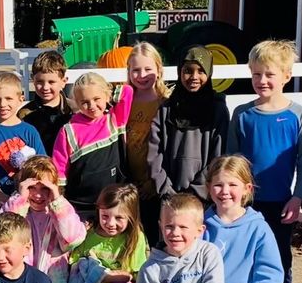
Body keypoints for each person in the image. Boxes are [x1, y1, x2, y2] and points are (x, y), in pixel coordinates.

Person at [227, 39, 302, 283]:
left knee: (279, 256)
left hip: (281, 201)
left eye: (269, 74)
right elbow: (231, 160)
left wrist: (299, 197)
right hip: (246, 203)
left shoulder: (298, 114)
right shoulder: (242, 114)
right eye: (256, 74)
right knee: (246, 255)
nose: (262, 81)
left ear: (286, 76)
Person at [0, 155, 87, 283]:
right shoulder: (15, 206)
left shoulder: (59, 209)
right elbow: (2, 235)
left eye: (45, 188)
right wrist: (19, 201)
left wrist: (56, 200)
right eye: (32, 188)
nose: (38, 195)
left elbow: (73, 237)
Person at [202, 156, 285, 283]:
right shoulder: (201, 224)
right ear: (209, 187)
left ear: (247, 189)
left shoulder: (258, 228)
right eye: (218, 185)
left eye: (232, 185)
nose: (225, 191)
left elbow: (269, 273)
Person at [148, 46, 229, 204]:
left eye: (201, 71)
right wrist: (167, 190)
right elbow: (154, 153)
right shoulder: (167, 108)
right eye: (188, 70)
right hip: (168, 197)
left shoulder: (217, 109)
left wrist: (198, 191)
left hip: (204, 199)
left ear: (209, 72)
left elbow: (219, 155)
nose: (194, 76)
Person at [51, 72, 134, 222]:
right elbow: (59, 167)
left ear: (106, 96)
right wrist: (59, 197)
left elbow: (127, 92)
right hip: (82, 205)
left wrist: (109, 93)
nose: (92, 106)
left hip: (114, 203)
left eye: (97, 99)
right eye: (84, 102)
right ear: (76, 102)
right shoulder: (68, 130)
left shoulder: (114, 119)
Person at [0, 71, 46, 217]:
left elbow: (42, 164)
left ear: (21, 99)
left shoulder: (29, 131)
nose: (3, 104)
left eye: (8, 98)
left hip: (28, 202)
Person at [123, 42, 170, 244]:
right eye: (136, 70)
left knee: (153, 234)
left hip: (155, 182)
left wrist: (154, 181)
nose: (142, 75)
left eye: (148, 69)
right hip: (129, 180)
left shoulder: (166, 102)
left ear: (158, 70)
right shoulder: (124, 101)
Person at [18, 50, 73, 155]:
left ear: (63, 82)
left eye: (51, 82)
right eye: (39, 82)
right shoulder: (25, 114)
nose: (45, 87)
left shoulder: (74, 110)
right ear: (32, 79)